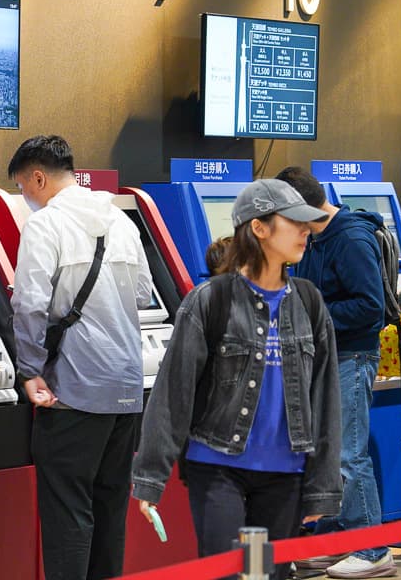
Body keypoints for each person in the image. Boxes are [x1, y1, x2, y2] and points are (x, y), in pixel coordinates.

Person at [131, 179, 342, 580]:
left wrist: (323, 484)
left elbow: (326, 399)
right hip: (219, 470)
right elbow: (173, 393)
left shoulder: (309, 302)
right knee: (231, 575)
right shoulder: (211, 300)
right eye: (294, 221)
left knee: (261, 575)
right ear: (258, 227)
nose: (305, 231)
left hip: (284, 476)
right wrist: (150, 477)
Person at [7, 135, 155, 580]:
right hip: (127, 391)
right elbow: (145, 295)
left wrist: (30, 370)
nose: (24, 197)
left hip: (73, 392)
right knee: (110, 510)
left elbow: (29, 303)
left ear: (38, 177)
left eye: (22, 188)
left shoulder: (46, 225)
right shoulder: (121, 220)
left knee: (68, 513)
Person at [275, 166, 395, 579]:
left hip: (351, 358)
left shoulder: (350, 238)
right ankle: (334, 538)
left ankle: (372, 548)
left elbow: (370, 307)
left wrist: (313, 315)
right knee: (324, 452)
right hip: (322, 358)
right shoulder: (314, 238)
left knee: (348, 453)